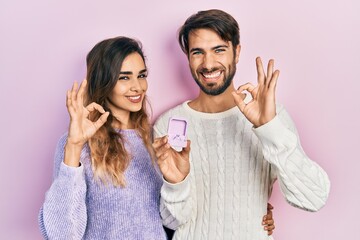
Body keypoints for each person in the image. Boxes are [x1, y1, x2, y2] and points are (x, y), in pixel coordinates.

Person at [38, 36, 275, 239]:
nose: (138, 86)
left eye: (141, 75)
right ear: (104, 82)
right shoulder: (77, 144)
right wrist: (74, 147)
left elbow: (174, 221)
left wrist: (252, 208)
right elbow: (62, 234)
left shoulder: (158, 138)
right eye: (124, 77)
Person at [152, 9, 330, 240]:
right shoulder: (169, 124)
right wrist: (176, 183)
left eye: (219, 50)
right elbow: (171, 221)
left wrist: (269, 128)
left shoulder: (269, 116)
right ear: (187, 56)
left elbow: (314, 198)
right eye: (198, 52)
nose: (208, 64)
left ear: (236, 52)